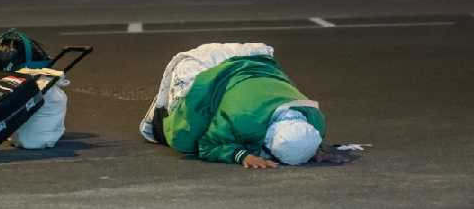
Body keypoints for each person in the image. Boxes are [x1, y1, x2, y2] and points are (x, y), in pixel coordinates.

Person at [140, 43, 350, 168]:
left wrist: (313, 149)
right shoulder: (245, 119)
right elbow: (207, 144)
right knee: (185, 134)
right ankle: (159, 112)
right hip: (205, 66)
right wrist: (241, 155)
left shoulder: (314, 117)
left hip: (253, 56)